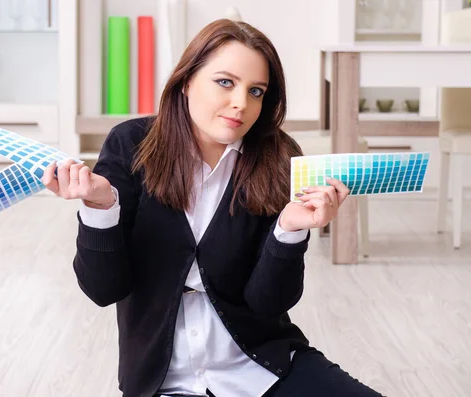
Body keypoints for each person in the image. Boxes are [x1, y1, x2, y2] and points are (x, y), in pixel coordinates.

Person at [42, 19, 383, 397]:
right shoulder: (130, 145)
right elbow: (103, 289)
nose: (241, 103)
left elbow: (269, 302)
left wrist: (288, 230)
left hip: (262, 366)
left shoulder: (278, 156)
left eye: (256, 91)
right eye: (225, 82)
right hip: (164, 380)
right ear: (186, 81)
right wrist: (100, 209)